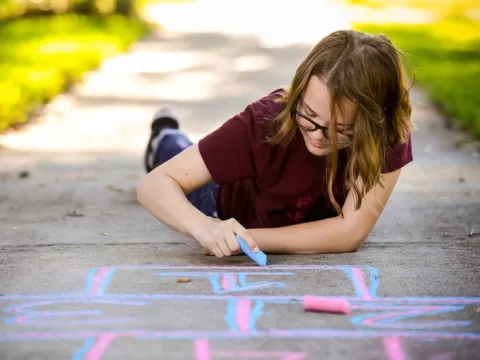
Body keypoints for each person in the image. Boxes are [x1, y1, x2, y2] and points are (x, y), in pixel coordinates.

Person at [136, 29, 414, 259]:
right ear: (299, 90)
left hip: (256, 226)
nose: (318, 135)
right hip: (220, 202)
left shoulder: (387, 132)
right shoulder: (266, 119)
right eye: (309, 114)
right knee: (173, 154)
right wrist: (206, 227)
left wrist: (247, 238)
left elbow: (350, 232)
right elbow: (154, 185)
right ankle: (165, 136)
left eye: (340, 129)